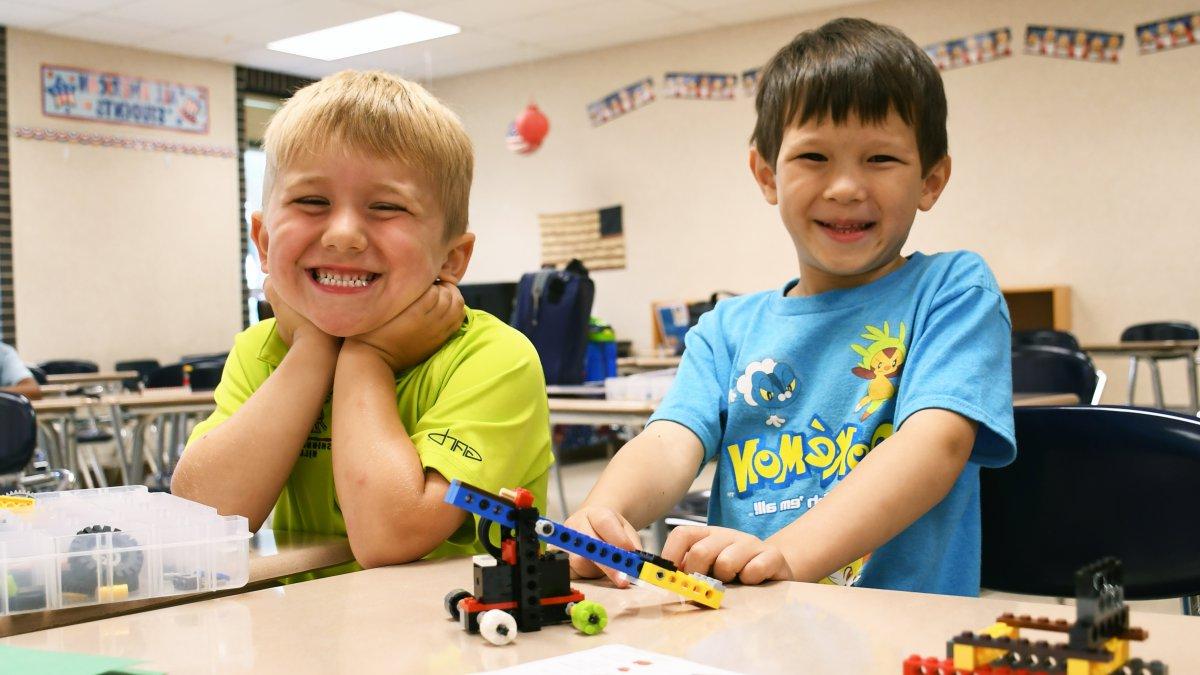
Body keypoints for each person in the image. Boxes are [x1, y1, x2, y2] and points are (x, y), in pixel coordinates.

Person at [564, 18, 1014, 597]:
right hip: (749, 631)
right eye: (814, 157)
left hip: (900, 638)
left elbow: (936, 445)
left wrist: (784, 555)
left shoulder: (953, 289)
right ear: (766, 173)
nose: (846, 186)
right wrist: (601, 515)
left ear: (931, 179)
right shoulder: (725, 329)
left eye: (880, 158)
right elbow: (668, 442)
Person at [173, 71, 553, 568]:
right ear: (263, 243)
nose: (344, 234)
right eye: (312, 201)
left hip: (462, 642)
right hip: (311, 640)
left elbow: (389, 537)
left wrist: (368, 356)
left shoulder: (495, 359)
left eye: (386, 207)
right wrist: (312, 350)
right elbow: (201, 519)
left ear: (452, 260)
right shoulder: (262, 350)